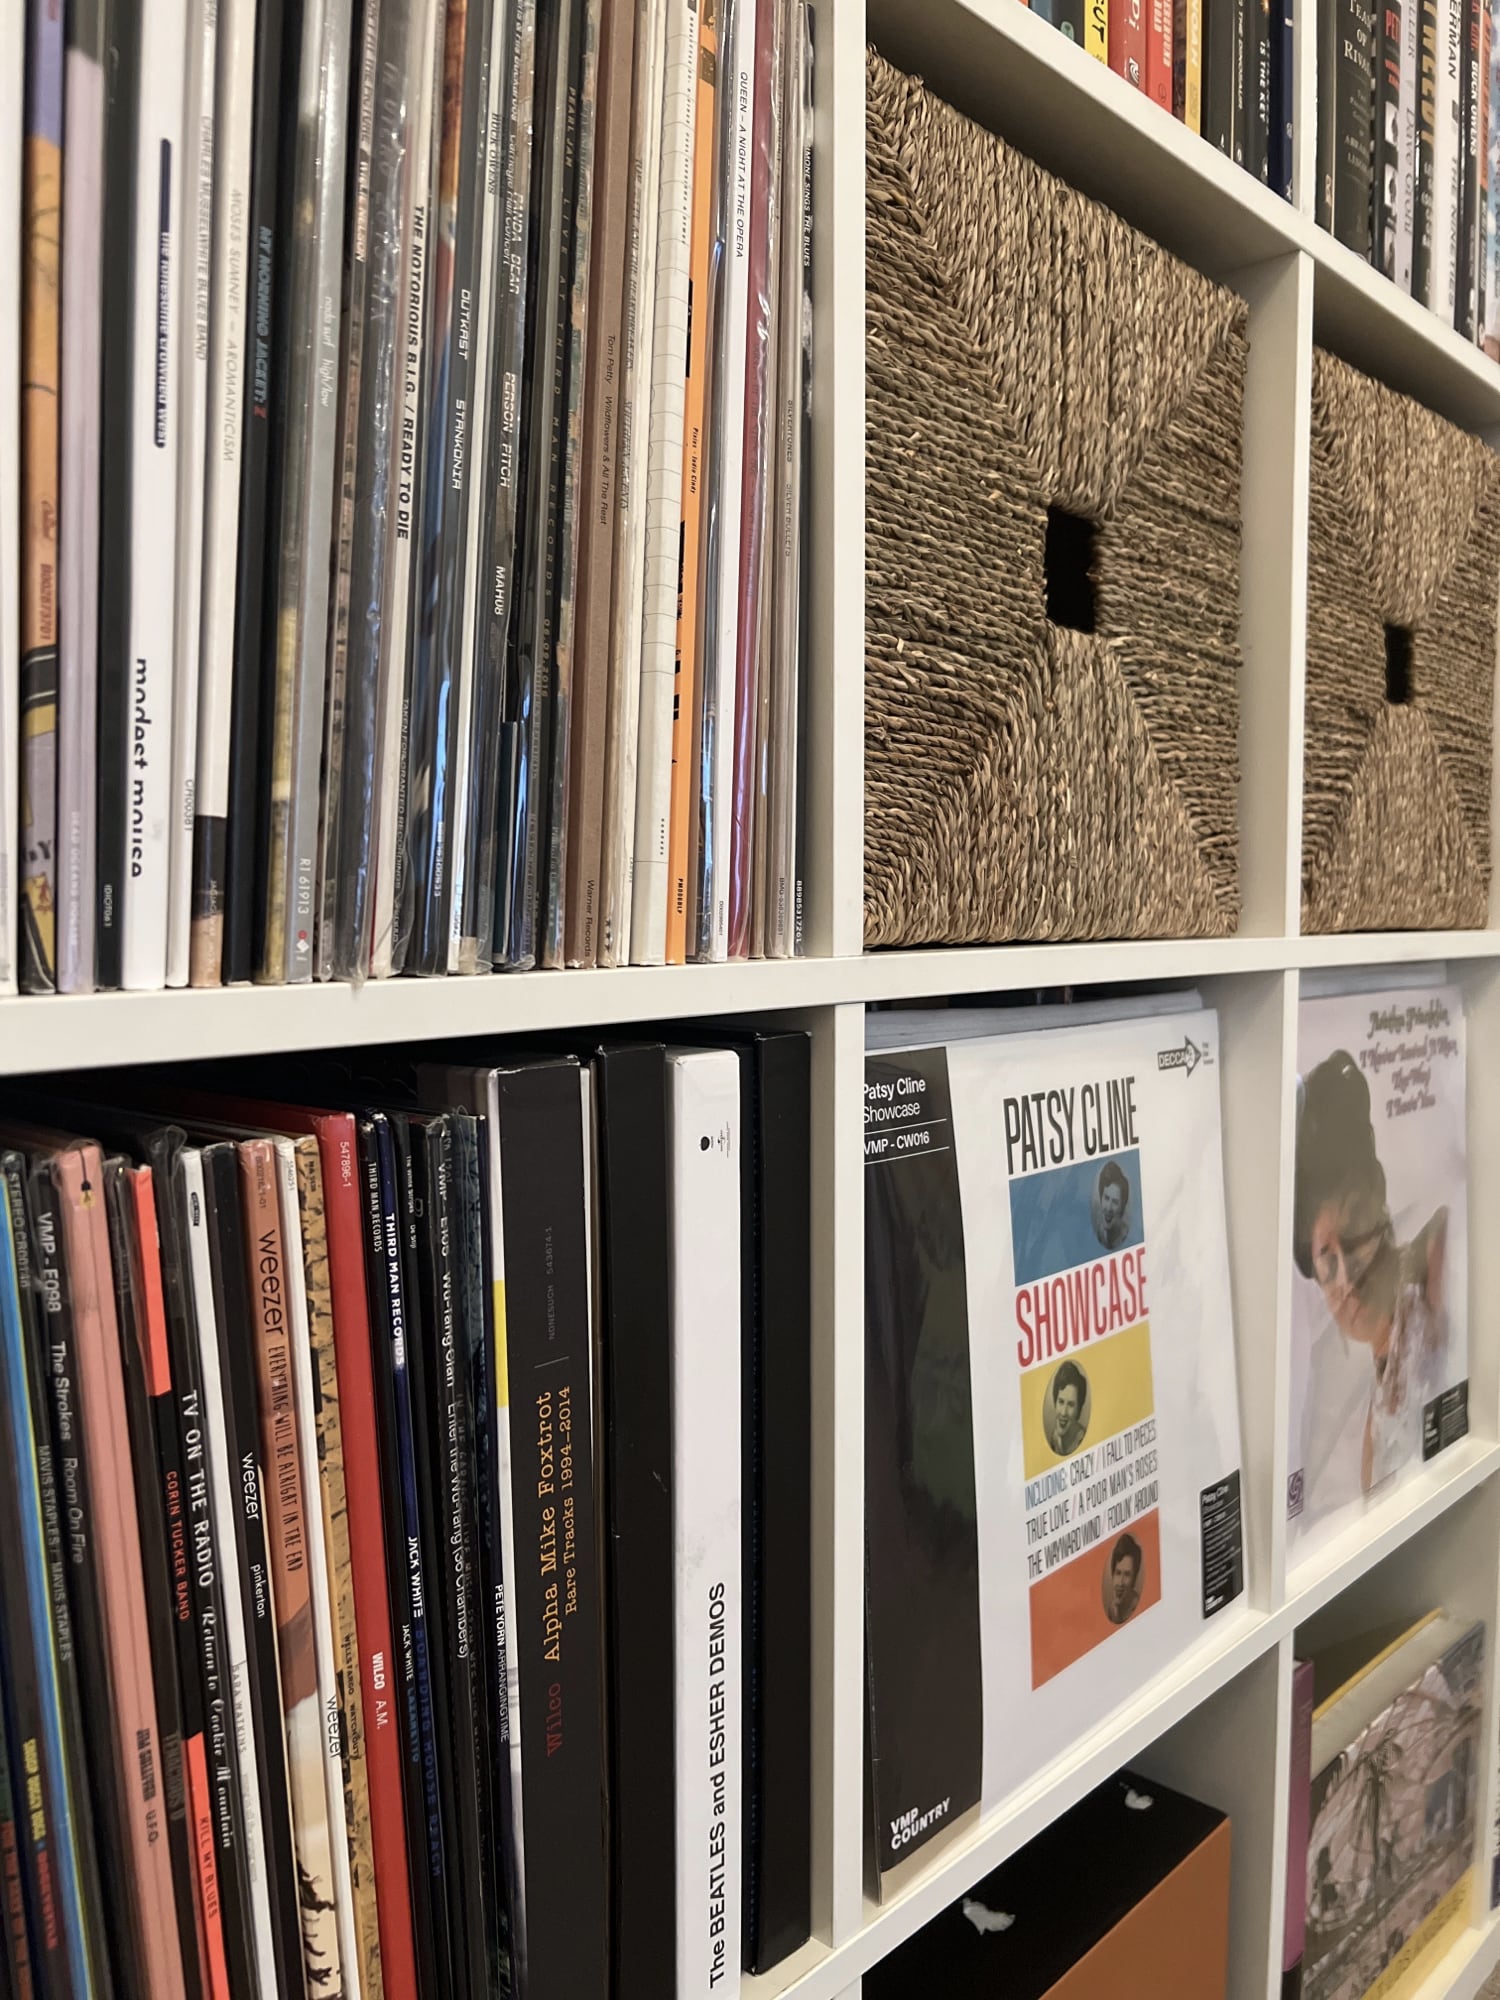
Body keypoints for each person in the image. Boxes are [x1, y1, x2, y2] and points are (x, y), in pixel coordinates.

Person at [1294, 1052, 1449, 1495]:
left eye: (1354, 1227)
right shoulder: (1371, 1428)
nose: (1346, 1277)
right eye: (1326, 1258)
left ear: (1380, 1199)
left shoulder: (1439, 1252)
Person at [1047, 1358, 1089, 1456]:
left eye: (1071, 1405)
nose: (1063, 1412)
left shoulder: (1082, 1440)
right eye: (1061, 1402)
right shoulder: (1054, 1439)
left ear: (1078, 1409)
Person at [1104, 1533, 1142, 1624]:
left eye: (1127, 1575)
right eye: (1118, 1573)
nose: (1120, 1583)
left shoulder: (1137, 1608)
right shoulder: (1112, 1611)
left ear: (1134, 1579)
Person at [1094, 1161, 1131, 1251]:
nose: (1109, 1208)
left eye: (1115, 1202)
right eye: (1106, 1198)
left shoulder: (1126, 1236)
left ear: (1122, 1206)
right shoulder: (1098, 1234)